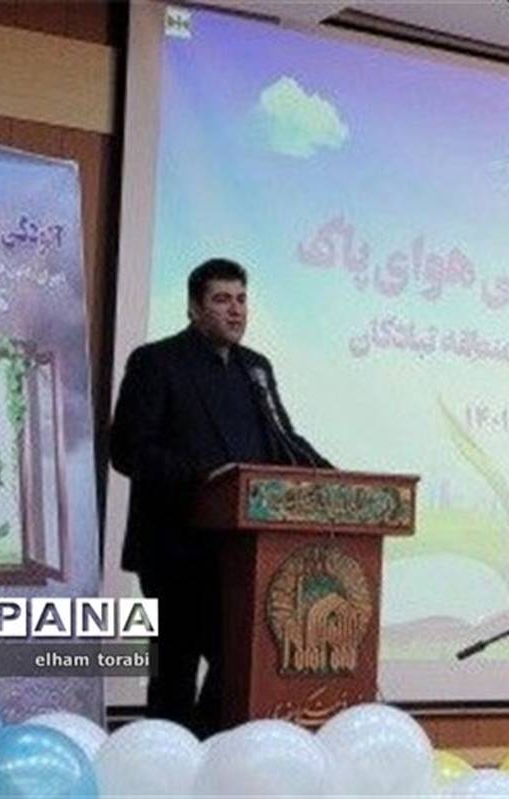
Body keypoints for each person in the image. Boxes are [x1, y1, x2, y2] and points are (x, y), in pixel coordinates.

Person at [110, 257, 331, 736]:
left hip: (240, 555)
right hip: (174, 551)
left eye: (242, 299)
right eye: (222, 299)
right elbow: (128, 451)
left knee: (239, 662)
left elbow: (284, 441)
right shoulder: (156, 362)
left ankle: (209, 750)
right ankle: (167, 764)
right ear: (194, 307)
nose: (235, 310)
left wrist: (333, 480)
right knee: (174, 673)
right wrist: (207, 476)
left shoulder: (255, 368)